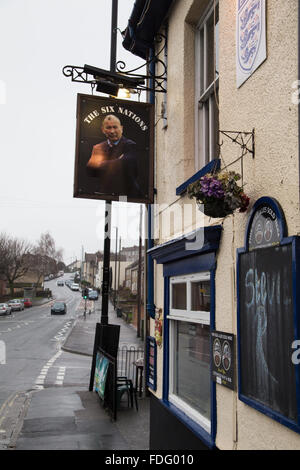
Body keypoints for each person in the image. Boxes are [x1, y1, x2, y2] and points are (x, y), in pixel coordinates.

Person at [86, 114, 142, 198]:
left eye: (115, 127)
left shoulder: (130, 145)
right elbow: (91, 171)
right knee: (107, 210)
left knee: (123, 211)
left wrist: (100, 164)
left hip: (127, 195)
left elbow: (127, 163)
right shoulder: (98, 147)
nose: (112, 131)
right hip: (105, 193)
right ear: (103, 130)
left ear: (121, 128)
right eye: (108, 128)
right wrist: (118, 161)